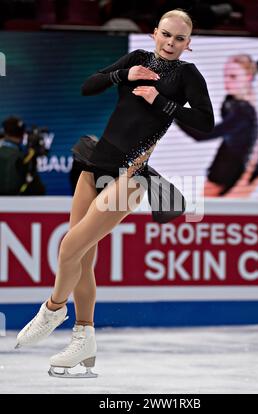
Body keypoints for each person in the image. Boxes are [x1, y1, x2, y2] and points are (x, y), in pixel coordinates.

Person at [15, 8, 214, 378]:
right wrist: (123, 74)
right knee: (82, 258)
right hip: (96, 165)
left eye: (180, 39)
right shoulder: (138, 59)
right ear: (155, 33)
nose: (171, 43)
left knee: (68, 247)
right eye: (166, 35)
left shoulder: (188, 75)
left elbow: (205, 122)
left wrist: (163, 103)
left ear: (189, 44)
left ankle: (52, 309)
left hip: (132, 175)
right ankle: (84, 335)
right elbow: (88, 85)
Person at [177, 47, 258, 197]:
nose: (227, 81)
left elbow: (202, 134)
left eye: (233, 76)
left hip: (240, 169)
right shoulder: (239, 92)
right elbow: (256, 67)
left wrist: (172, 111)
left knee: (210, 210)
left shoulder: (242, 112)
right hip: (229, 157)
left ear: (248, 77)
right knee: (207, 208)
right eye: (226, 75)